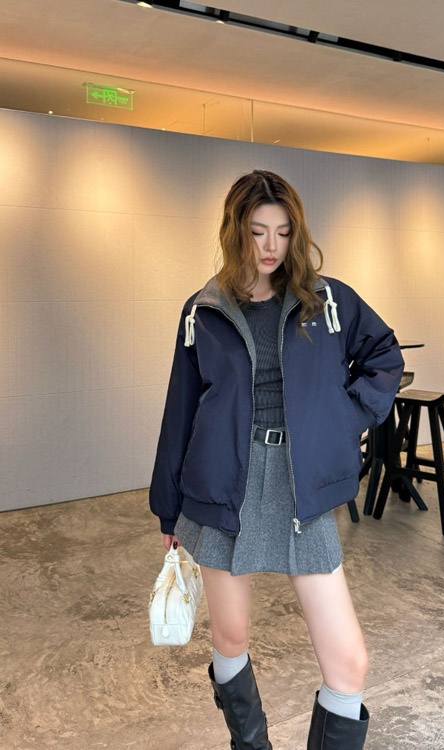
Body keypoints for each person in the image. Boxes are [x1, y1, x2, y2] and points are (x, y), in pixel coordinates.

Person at [149, 169, 404, 750]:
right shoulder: (203, 310)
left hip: (300, 487)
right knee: (230, 637)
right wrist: (168, 509)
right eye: (258, 231)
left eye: (284, 232)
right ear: (234, 231)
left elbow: (384, 357)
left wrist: (343, 418)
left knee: (350, 663)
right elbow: (180, 411)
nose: (271, 247)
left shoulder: (327, 301)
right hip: (223, 486)